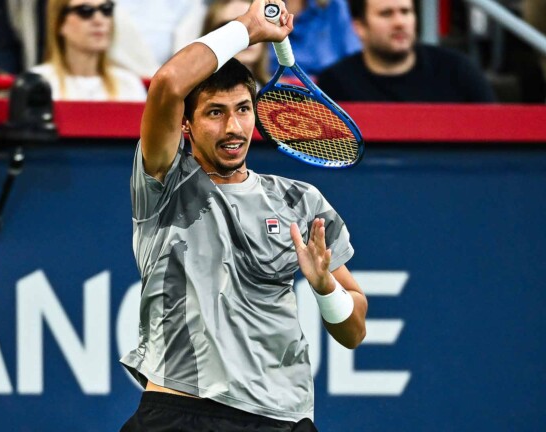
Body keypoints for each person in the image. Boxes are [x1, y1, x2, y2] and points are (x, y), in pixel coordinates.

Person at [119, 0, 368, 430]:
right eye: (215, 112)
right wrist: (246, 27)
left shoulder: (301, 202)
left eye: (243, 110)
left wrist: (326, 288)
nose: (233, 128)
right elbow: (166, 84)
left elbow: (354, 332)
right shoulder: (165, 183)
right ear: (187, 125)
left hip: (282, 418)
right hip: (183, 413)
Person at [317, 0, 496, 103]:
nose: (400, 22)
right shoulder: (334, 84)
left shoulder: (458, 71)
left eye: (406, 11)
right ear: (359, 28)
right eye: (386, 14)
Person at [30, 0, 146, 101]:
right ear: (59, 23)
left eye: (106, 9)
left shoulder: (129, 84)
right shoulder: (37, 82)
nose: (99, 20)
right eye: (85, 11)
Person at [268, 0, 361, 77]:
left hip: (330, 92)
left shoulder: (336, 7)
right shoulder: (261, 9)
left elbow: (356, 62)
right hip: (271, 93)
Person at [201, 0, 270, 85]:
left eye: (254, 24)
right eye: (229, 27)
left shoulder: (282, 92)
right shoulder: (191, 93)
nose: (245, 34)